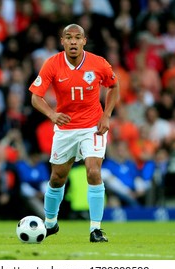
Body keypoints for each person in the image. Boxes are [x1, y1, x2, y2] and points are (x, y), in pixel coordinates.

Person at [29, 23, 119, 242]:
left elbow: (114, 86)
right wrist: (52, 115)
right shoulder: (52, 64)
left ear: (84, 41)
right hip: (65, 128)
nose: (73, 41)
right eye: (68, 38)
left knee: (93, 172)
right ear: (62, 41)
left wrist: (106, 114)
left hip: (92, 126)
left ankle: (95, 229)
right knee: (57, 178)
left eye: (77, 38)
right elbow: (35, 97)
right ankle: (50, 224)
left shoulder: (98, 63)